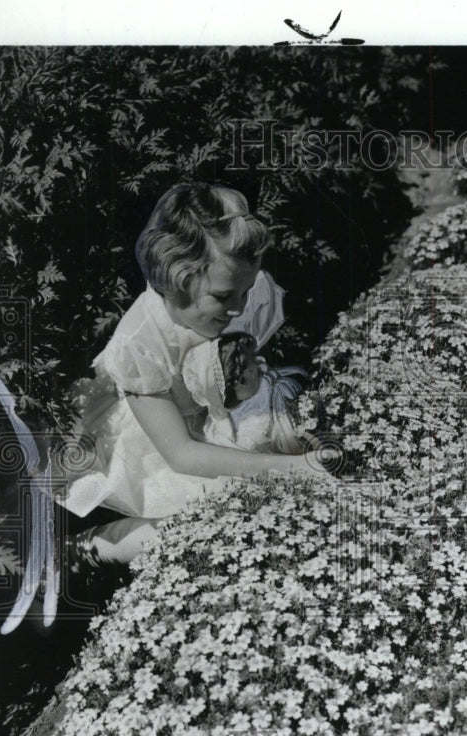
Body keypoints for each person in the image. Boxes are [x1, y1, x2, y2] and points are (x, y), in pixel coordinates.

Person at [57, 182, 329, 567]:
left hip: (213, 414)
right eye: (222, 297)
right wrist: (289, 469)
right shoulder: (141, 342)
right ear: (176, 282)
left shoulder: (238, 294)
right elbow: (182, 454)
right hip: (157, 438)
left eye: (245, 291)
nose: (238, 308)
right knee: (197, 518)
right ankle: (84, 550)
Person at [182, 331, 314, 455]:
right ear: (240, 381)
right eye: (249, 360)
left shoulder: (271, 389)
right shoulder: (223, 424)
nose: (259, 362)